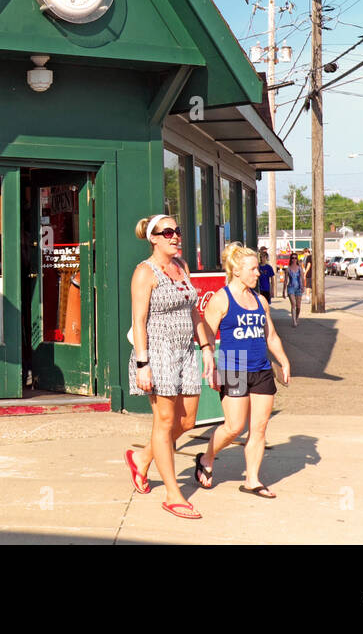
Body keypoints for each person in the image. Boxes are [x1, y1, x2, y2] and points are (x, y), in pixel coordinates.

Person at [124, 214, 217, 520]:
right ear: (153, 238)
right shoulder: (144, 272)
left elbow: (194, 313)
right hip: (158, 352)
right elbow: (138, 321)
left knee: (188, 421)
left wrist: (206, 349)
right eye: (168, 232)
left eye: (177, 231)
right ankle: (173, 495)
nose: (175, 236)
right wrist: (142, 364)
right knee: (165, 422)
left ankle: (141, 457)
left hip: (186, 352)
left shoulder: (182, 266)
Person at [194, 243, 292, 498]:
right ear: (237, 271)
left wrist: (283, 361)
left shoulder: (260, 300)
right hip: (232, 365)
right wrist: (211, 364)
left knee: (259, 428)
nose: (258, 273)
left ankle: (252, 480)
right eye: (253, 269)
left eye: (258, 268)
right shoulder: (221, 298)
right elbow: (206, 332)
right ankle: (207, 457)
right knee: (234, 426)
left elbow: (270, 336)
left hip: (261, 367)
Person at [285, 253, 305, 326]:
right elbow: (285, 280)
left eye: (295, 258)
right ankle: (294, 321)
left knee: (298, 306)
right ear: (291, 259)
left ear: (297, 259)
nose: (294, 259)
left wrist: (303, 287)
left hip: (299, 288)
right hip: (291, 288)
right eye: (292, 258)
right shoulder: (288, 269)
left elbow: (302, 278)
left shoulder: (300, 268)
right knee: (293, 304)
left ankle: (297, 318)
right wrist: (284, 291)